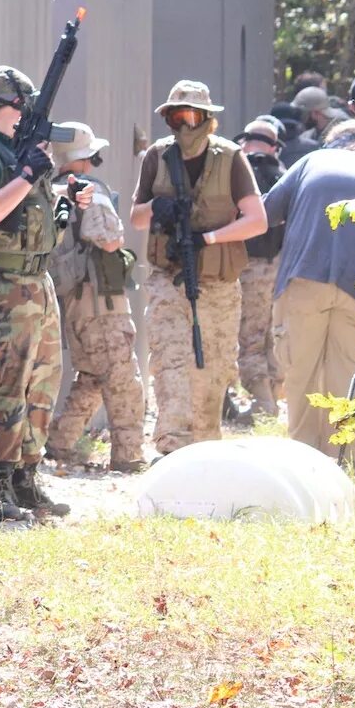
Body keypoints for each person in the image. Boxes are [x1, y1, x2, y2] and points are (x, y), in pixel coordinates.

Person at [0, 67, 91, 520]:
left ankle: (27, 481)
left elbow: (26, 216)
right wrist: (27, 176)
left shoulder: (20, 151)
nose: (29, 115)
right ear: (4, 107)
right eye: (23, 106)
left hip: (35, 283)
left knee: (43, 383)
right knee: (4, 386)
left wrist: (64, 200)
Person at [130, 81, 267, 454]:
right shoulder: (158, 157)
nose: (186, 125)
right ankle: (172, 449)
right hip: (166, 280)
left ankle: (204, 452)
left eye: (193, 116)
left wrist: (210, 238)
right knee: (171, 365)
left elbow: (257, 220)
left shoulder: (231, 157)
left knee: (213, 370)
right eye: (178, 116)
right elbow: (136, 218)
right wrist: (159, 208)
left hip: (218, 285)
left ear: (209, 119)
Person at [262, 119, 355, 466]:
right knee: (353, 377)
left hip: (303, 279)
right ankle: (348, 462)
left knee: (301, 373)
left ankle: (304, 462)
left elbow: (266, 212)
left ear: (334, 143)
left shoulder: (310, 162)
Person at [43, 122, 150, 472]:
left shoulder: (52, 189)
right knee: (123, 379)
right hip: (100, 301)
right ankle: (129, 455)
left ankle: (59, 443)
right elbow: (106, 238)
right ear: (87, 156)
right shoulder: (91, 190)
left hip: (73, 299)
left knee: (90, 376)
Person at [233, 118, 288, 422]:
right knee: (273, 334)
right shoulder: (283, 175)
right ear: (274, 146)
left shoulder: (238, 175)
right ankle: (273, 399)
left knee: (249, 338)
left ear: (245, 141)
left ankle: (264, 404)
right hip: (279, 265)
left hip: (245, 266)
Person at [269, 102, 321, 168]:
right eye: (283, 126)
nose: (286, 130)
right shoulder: (312, 146)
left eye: (290, 126)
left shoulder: (268, 148)